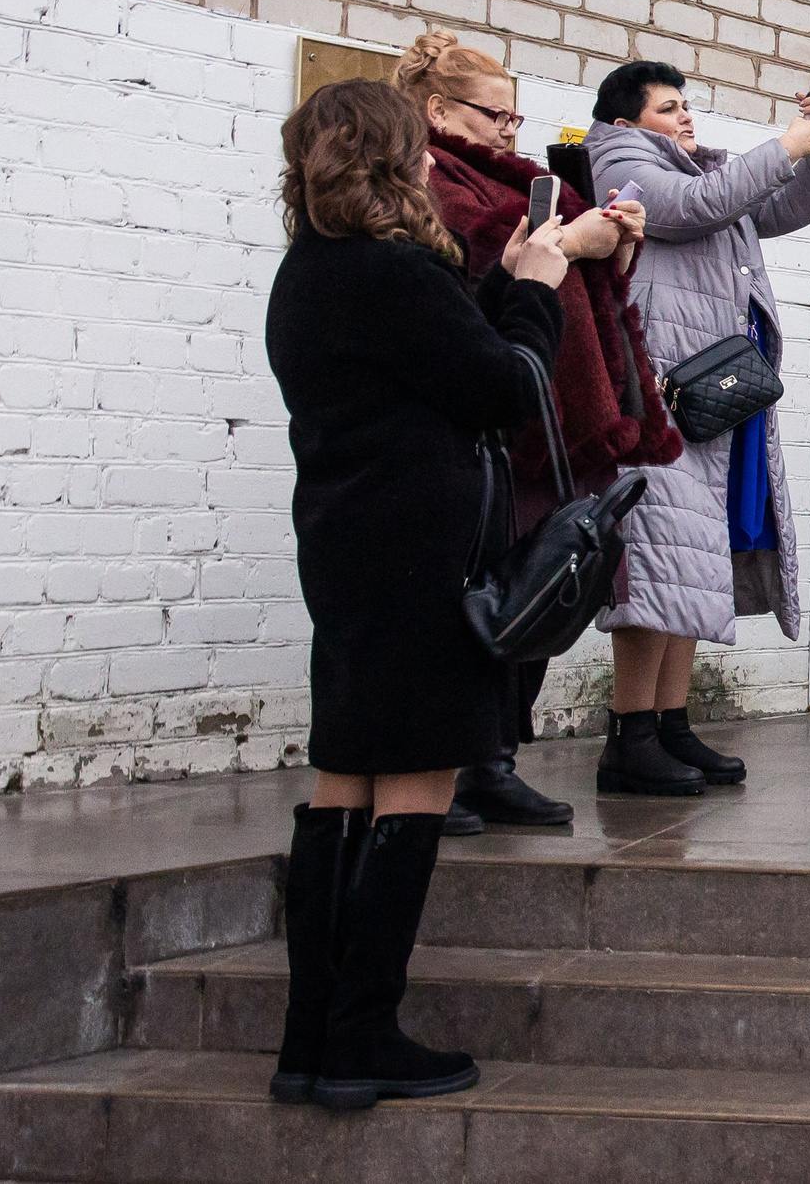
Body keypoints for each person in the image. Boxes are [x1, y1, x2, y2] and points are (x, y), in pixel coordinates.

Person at [265, 79, 569, 1109]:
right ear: (400, 162)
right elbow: (504, 387)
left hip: (345, 545)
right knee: (417, 782)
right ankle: (361, 1033)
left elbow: (428, 356)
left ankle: (313, 1037)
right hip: (420, 551)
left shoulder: (311, 272)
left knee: (345, 777)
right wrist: (536, 290)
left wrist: (499, 290)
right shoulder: (393, 273)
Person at [396, 31, 682, 833]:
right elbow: (486, 258)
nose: (509, 129)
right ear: (435, 110)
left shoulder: (505, 176)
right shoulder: (430, 177)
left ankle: (491, 761)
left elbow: (549, 271)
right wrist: (575, 238)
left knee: (529, 586)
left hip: (534, 409)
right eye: (495, 114)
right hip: (487, 415)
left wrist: (608, 246)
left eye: (515, 115)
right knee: (482, 597)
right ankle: (454, 767)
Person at [584, 63, 810, 794]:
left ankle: (669, 725)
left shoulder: (689, 168)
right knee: (653, 567)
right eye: (670, 107)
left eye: (686, 104)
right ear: (626, 121)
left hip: (708, 402)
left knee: (693, 560)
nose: (686, 117)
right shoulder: (624, 163)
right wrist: (788, 139)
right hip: (657, 394)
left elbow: (777, 207)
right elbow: (700, 204)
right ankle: (628, 735)